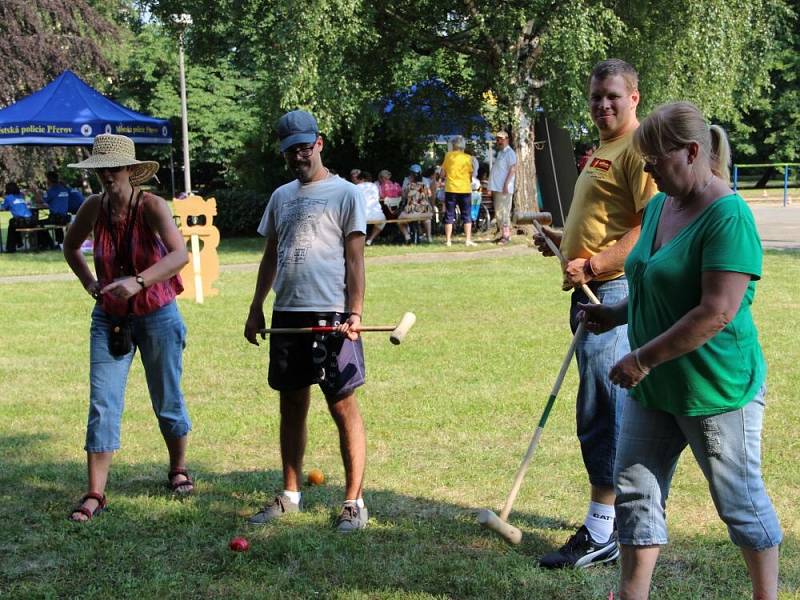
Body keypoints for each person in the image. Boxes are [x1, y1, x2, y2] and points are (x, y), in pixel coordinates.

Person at [579, 101, 782, 600]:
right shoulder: (661, 206)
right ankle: (632, 593)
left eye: (654, 161)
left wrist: (643, 357)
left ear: (692, 152)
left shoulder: (727, 216)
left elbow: (716, 311)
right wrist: (616, 313)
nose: (647, 170)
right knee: (635, 489)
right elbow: (651, 281)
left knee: (738, 500)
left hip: (714, 387)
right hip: (656, 386)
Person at [533, 58, 656, 568]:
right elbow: (607, 222)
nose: (602, 104)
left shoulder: (638, 149)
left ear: (634, 97)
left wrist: (596, 263)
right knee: (595, 406)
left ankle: (604, 529)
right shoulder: (604, 150)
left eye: (611, 95)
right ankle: (611, 518)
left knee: (603, 408)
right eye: (595, 97)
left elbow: (649, 226)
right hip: (588, 288)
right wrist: (563, 243)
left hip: (610, 291)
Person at [244, 110, 369, 532]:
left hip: (332, 313)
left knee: (342, 405)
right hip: (287, 314)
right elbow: (270, 257)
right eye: (290, 150)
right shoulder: (281, 197)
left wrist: (355, 313)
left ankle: (354, 502)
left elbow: (355, 259)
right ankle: (290, 494)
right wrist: (256, 306)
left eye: (303, 146)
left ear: (319, 142)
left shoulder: (346, 194)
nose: (298, 155)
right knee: (291, 404)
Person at [62, 133, 192, 522]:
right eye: (101, 168)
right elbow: (70, 247)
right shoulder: (92, 208)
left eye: (114, 168)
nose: (107, 175)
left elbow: (180, 255)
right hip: (110, 318)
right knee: (103, 401)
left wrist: (138, 281)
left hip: (157, 313)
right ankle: (95, 493)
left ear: (131, 171)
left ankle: (178, 468)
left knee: (167, 398)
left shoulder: (151, 205)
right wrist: (91, 284)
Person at [440, 135, 476, 247]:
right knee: (467, 215)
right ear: (463, 146)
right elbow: (471, 175)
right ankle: (468, 240)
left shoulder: (448, 156)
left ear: (454, 145)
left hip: (451, 189)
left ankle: (448, 240)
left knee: (449, 215)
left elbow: (442, 173)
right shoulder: (468, 158)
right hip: (465, 189)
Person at [488, 131, 517, 245]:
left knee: (504, 212)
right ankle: (503, 234)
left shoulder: (510, 153)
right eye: (497, 139)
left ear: (507, 139)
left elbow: (513, 169)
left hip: (504, 188)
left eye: (501, 139)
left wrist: (506, 184)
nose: (499, 141)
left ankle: (506, 236)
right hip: (498, 188)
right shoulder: (501, 153)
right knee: (499, 212)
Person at [398, 168, 433, 243]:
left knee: (399, 220)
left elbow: (403, 196)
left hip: (412, 212)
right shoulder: (424, 185)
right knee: (427, 220)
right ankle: (429, 237)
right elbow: (430, 194)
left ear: (412, 177)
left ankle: (407, 236)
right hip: (425, 211)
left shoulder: (409, 186)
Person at [2, 181, 36, 252]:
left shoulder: (8, 198)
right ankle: (19, 243)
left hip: (22, 222)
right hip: (31, 220)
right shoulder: (21, 196)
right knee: (13, 222)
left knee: (12, 223)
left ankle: (11, 248)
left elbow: (3, 207)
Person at [357, 171, 385, 246]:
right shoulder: (374, 186)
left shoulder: (357, 187)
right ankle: (370, 239)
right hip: (377, 215)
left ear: (362, 179)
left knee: (358, 223)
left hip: (361, 216)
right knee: (383, 221)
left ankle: (362, 241)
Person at [44, 171, 71, 245]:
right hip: (66, 218)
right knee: (57, 222)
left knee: (39, 224)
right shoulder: (64, 189)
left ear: (49, 180)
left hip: (56, 218)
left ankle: (47, 244)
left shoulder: (51, 191)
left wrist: (36, 193)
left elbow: (43, 201)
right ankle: (60, 242)